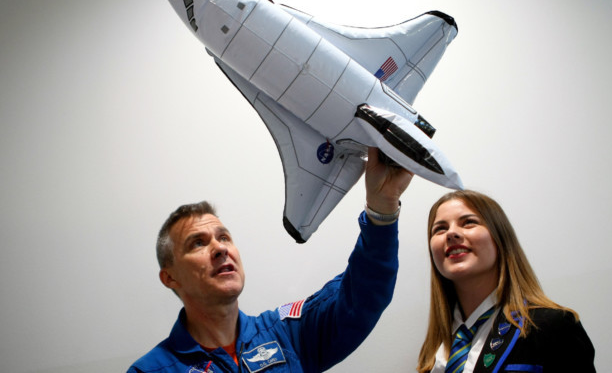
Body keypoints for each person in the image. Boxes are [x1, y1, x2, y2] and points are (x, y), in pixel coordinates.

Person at [128, 147, 413, 373]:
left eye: (224, 237)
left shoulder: (287, 333)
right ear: (170, 277)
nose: (220, 248)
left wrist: (382, 207)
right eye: (198, 243)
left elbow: (360, 296)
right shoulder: (151, 370)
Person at [417, 190, 595, 373]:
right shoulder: (434, 348)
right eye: (440, 228)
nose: (451, 233)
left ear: (500, 237)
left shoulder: (553, 327)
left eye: (469, 222)